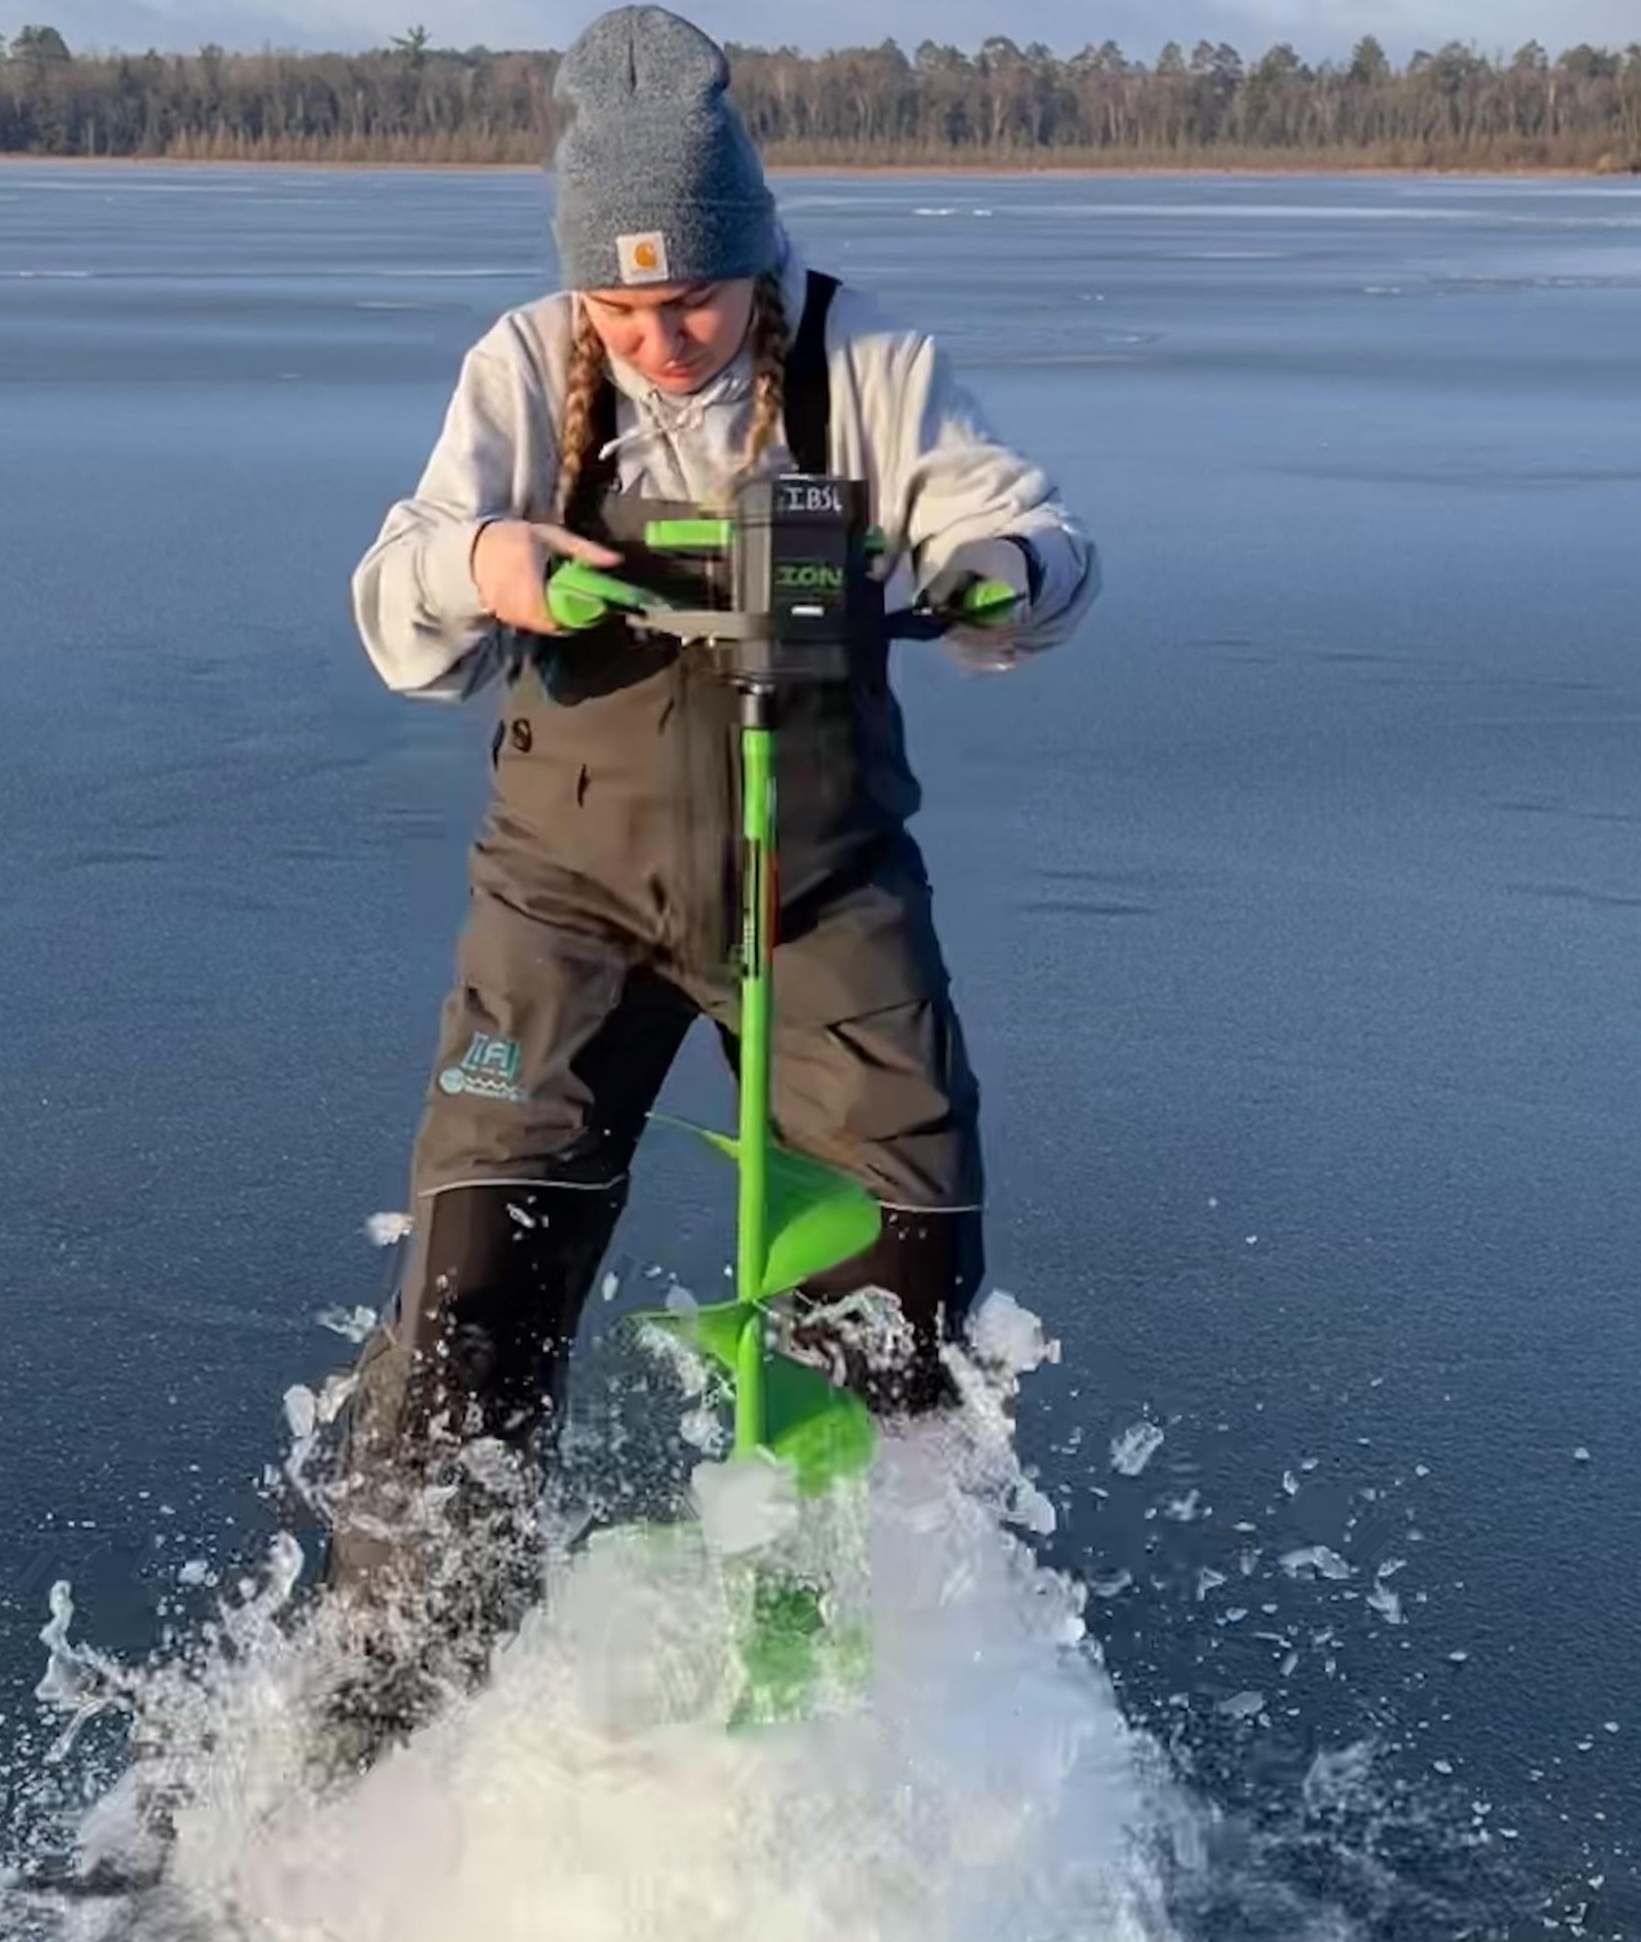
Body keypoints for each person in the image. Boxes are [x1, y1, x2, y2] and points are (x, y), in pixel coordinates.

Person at [319, 3, 1099, 1740]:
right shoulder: (527, 366)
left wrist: (993, 573)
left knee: (897, 1270)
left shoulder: (859, 362)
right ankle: (401, 1704)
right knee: (472, 1296)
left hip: (817, 888)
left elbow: (1030, 533)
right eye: (624, 303)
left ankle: (847, 1680)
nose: (660, 339)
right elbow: (393, 610)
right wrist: (497, 562)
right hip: (566, 904)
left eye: (692, 299)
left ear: (754, 253)